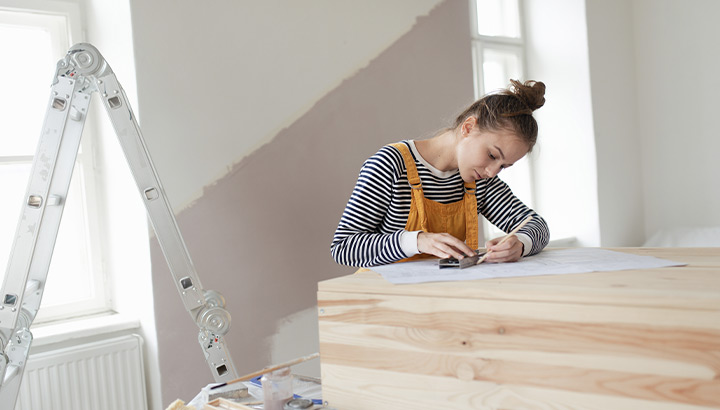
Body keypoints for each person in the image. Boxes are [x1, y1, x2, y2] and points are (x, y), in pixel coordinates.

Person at [331, 79, 550, 267]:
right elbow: (344, 247)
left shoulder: (480, 181)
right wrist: (417, 241)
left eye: (504, 166)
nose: (493, 172)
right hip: (385, 300)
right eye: (492, 155)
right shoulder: (391, 164)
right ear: (468, 128)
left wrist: (520, 244)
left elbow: (536, 225)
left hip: (441, 299)